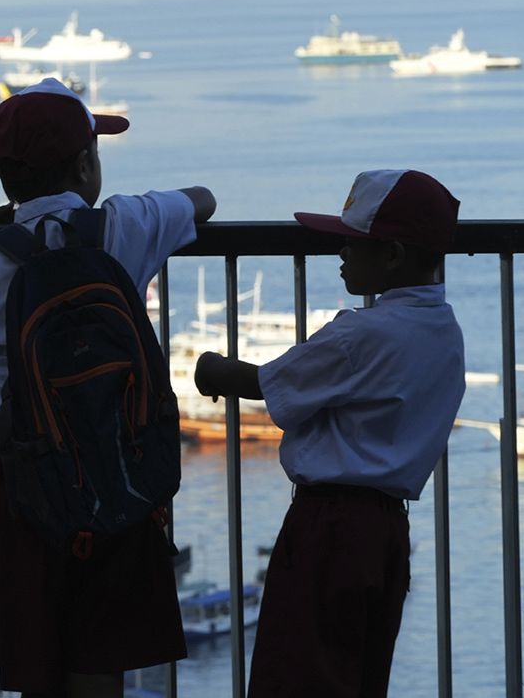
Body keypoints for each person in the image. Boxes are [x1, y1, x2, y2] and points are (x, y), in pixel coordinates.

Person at [0, 78, 214, 698]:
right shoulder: (125, 229)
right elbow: (203, 200)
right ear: (85, 164)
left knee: (36, 662)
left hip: (25, 486)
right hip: (121, 475)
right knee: (101, 662)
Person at [193, 169, 462, 698]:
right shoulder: (445, 331)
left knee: (297, 674)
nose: (340, 252)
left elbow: (267, 383)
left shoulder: (360, 334)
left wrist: (211, 368)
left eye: (351, 242)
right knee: (361, 675)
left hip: (329, 527)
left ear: (392, 256)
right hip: (387, 530)